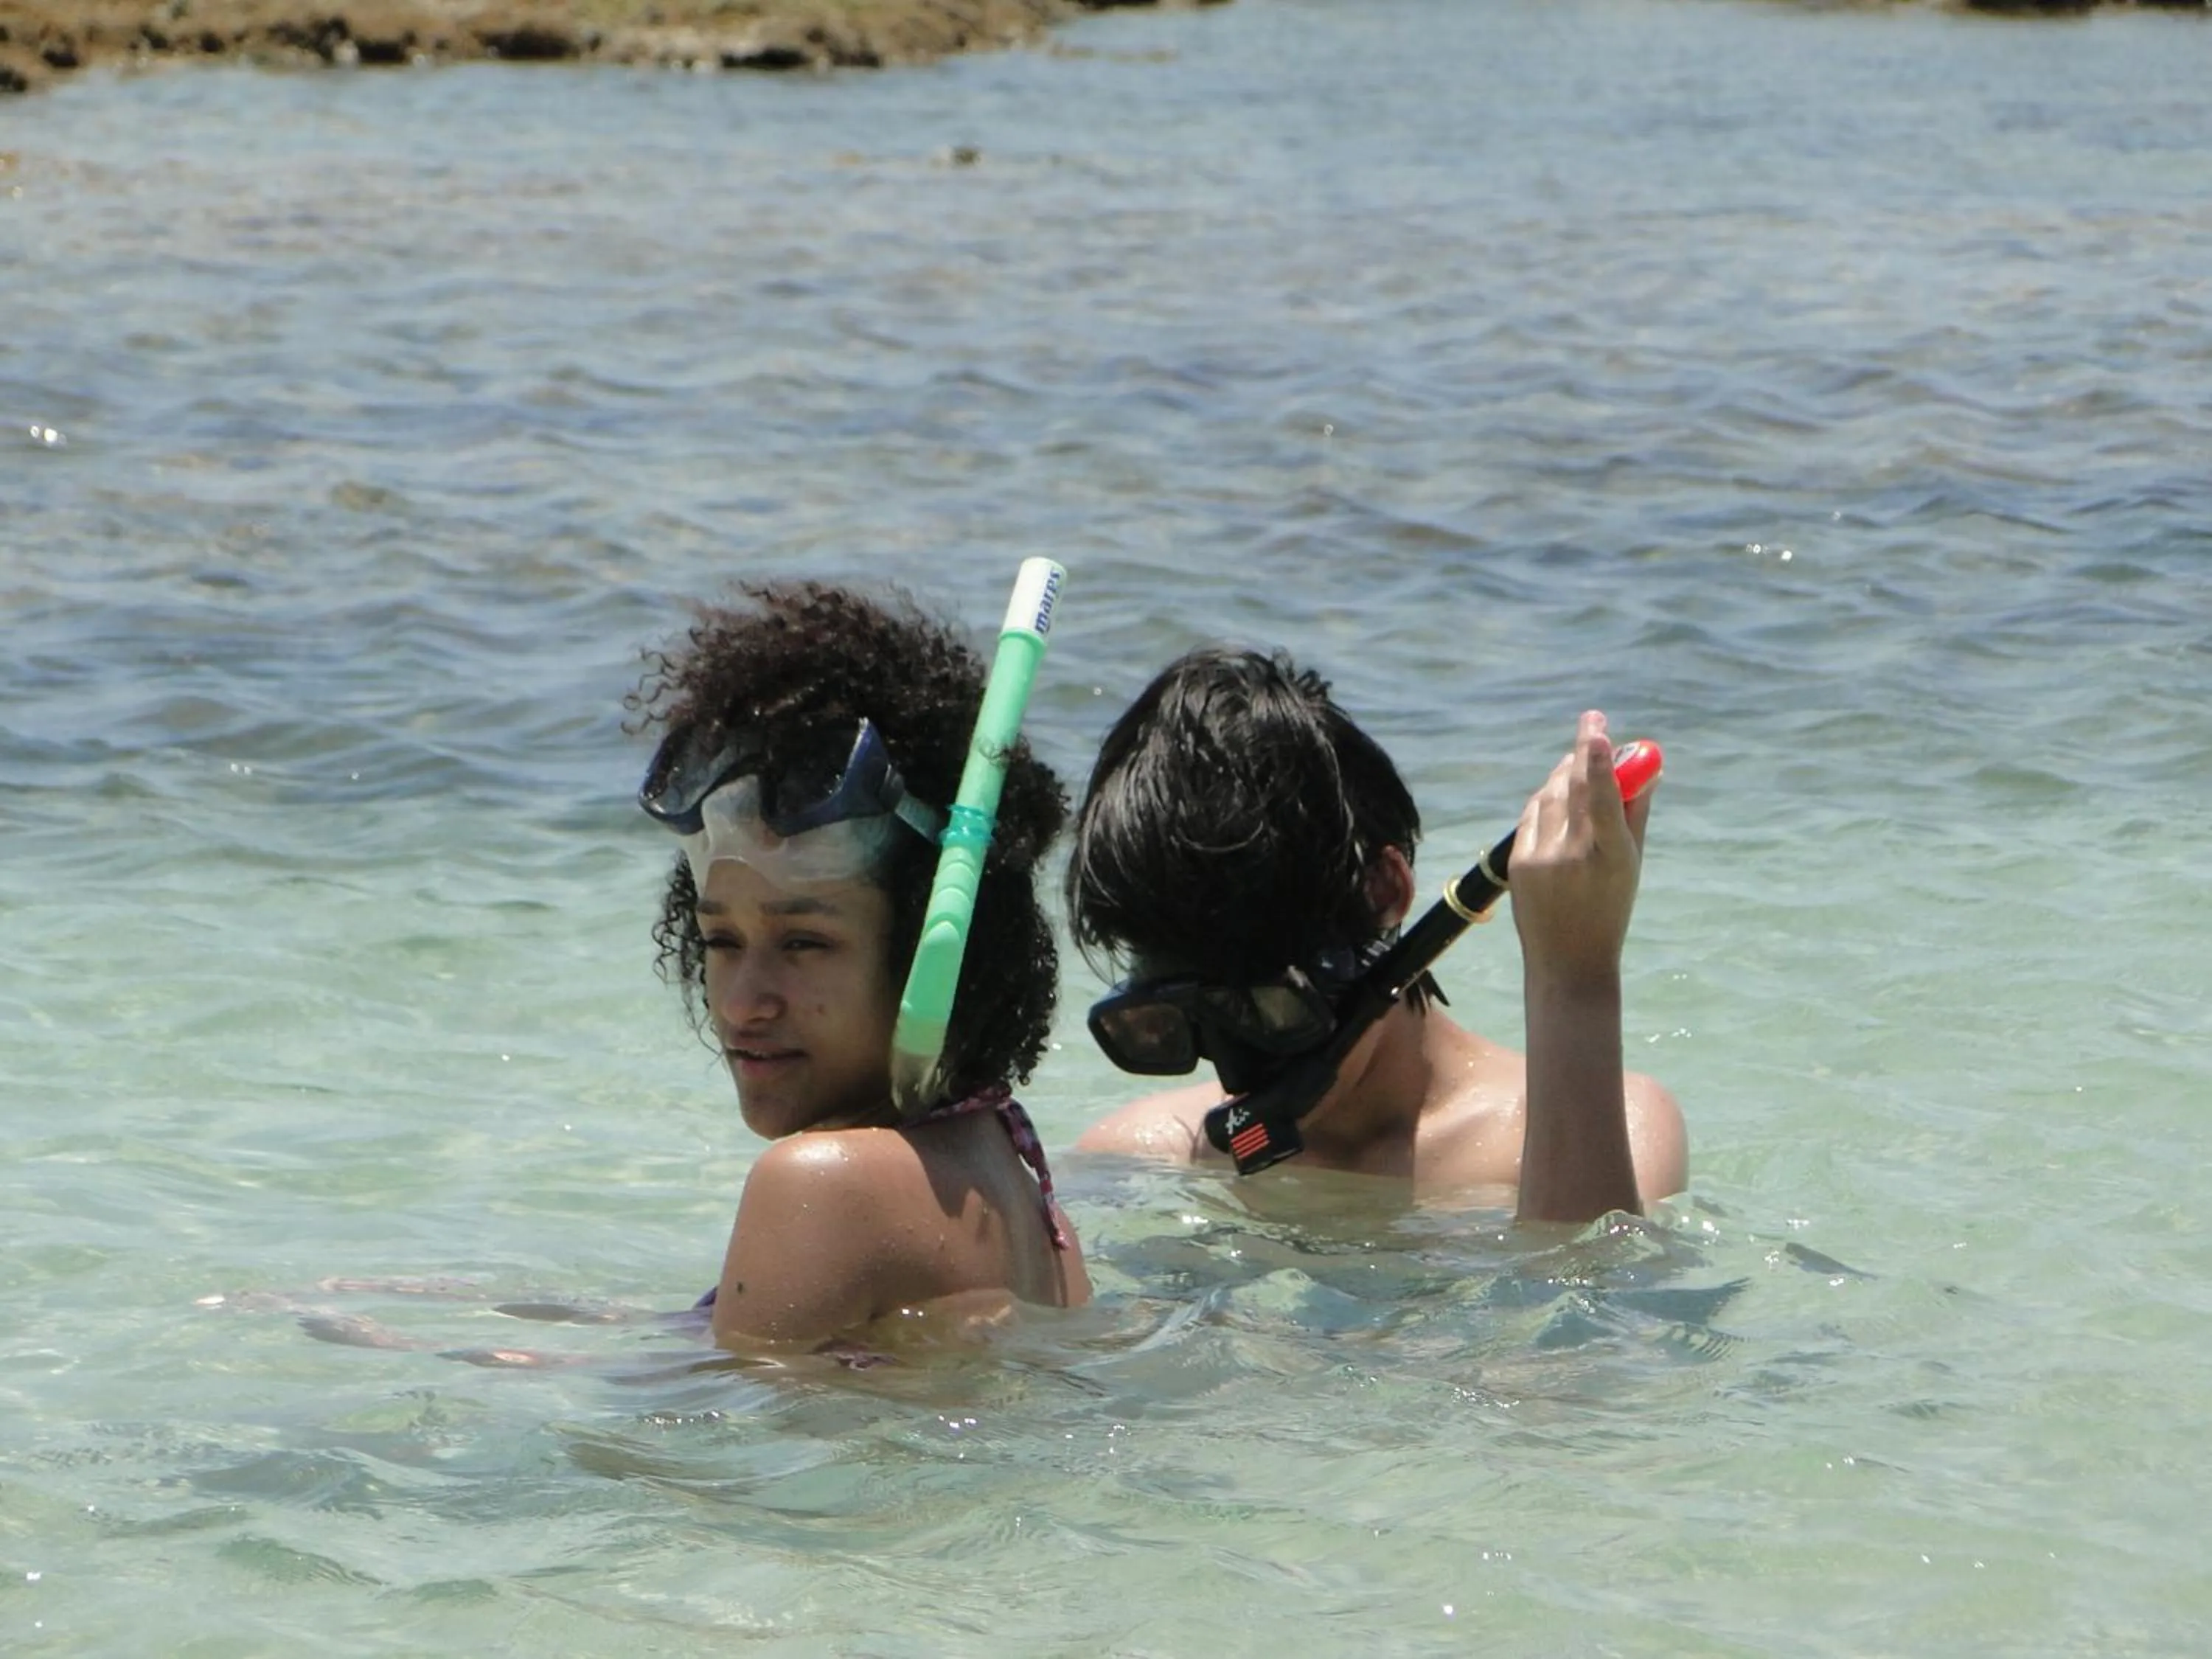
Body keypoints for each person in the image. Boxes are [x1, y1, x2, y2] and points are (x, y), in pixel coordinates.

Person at [1064, 647, 1686, 1223]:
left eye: (1265, 1012)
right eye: (1173, 1024)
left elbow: (1599, 1326)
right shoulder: (1144, 1157)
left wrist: (1575, 978)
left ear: (1385, 892)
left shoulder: (1614, 1128)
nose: (1231, 1076)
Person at [630, 581, 1090, 1352]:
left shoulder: (822, 1184)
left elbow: (700, 1452)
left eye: (805, 944)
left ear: (940, 950)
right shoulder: (1019, 1190)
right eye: (721, 943)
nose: (742, 1005)